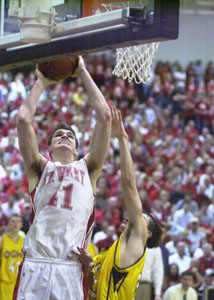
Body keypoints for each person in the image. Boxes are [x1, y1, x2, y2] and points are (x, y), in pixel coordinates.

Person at [14, 56, 111, 300]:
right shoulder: (39, 168)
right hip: (36, 263)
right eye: (59, 135)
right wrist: (41, 81)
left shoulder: (88, 169)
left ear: (78, 150)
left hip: (69, 268)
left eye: (70, 135)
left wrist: (82, 72)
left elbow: (105, 118)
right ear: (48, 148)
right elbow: (23, 120)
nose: (65, 136)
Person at [75, 106, 162, 300]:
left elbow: (129, 185)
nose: (133, 217)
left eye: (141, 218)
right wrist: (90, 266)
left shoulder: (137, 238)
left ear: (146, 233)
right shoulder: (115, 251)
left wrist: (123, 138)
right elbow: (97, 287)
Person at [0, 214, 24, 300]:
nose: (15, 224)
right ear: (8, 224)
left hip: (19, 283)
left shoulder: (25, 241)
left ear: (21, 225)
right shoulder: (2, 239)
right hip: (4, 282)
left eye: (18, 221)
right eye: (13, 221)